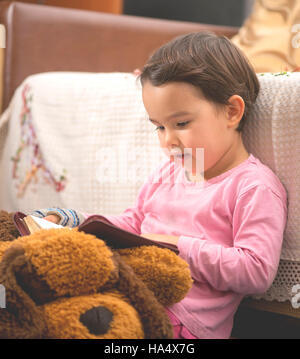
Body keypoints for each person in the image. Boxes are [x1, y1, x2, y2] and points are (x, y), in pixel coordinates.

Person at [30, 32, 287, 339]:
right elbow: (133, 223)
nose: (169, 140)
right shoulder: (170, 172)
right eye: (159, 127)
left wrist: (174, 245)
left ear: (232, 111)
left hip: (181, 322)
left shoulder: (253, 187)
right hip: (130, 293)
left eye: (181, 124)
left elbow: (256, 271)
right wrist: (74, 222)